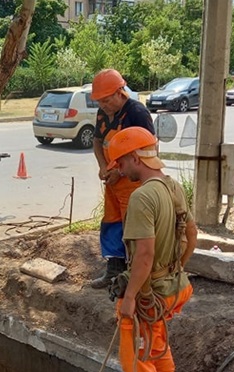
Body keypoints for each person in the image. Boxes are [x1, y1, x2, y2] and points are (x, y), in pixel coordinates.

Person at [106, 127, 198, 372]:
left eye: (120, 163)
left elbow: (143, 255)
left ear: (134, 157)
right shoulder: (172, 186)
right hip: (174, 287)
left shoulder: (143, 196)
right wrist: (174, 269)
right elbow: (192, 233)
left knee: (138, 359)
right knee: (157, 345)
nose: (118, 170)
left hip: (150, 295)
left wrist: (130, 296)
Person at [89, 69, 156, 289]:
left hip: (132, 182)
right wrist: (102, 166)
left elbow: (147, 149)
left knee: (134, 228)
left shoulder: (136, 113)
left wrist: (120, 171)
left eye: (107, 100)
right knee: (111, 223)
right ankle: (114, 270)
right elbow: (98, 142)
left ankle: (134, 275)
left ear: (120, 92)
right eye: (99, 102)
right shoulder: (102, 114)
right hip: (112, 182)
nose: (103, 105)